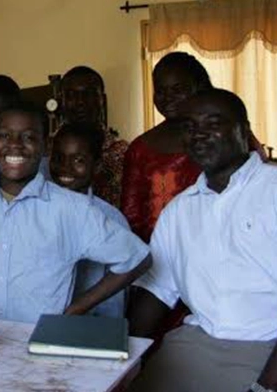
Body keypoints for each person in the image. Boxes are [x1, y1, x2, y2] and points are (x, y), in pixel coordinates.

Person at [0, 103, 150, 323]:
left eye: (28, 137)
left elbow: (136, 258)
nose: (14, 145)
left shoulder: (71, 208)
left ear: (45, 147)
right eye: (4, 135)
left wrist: (75, 309)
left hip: (43, 346)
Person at [128, 89, 277, 392]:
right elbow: (157, 290)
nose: (199, 134)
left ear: (244, 130)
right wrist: (122, 354)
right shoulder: (179, 210)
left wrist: (265, 387)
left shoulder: (271, 191)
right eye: (190, 127)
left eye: (213, 123)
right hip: (195, 344)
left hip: (265, 348)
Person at [121, 52, 212, 242]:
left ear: (199, 87)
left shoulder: (222, 136)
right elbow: (131, 216)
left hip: (217, 250)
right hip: (158, 257)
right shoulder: (140, 149)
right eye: (160, 91)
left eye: (177, 89)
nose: (167, 97)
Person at [50, 121, 130, 318]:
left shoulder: (111, 219)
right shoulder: (33, 210)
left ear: (97, 165)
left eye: (78, 160)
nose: (65, 168)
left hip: (89, 324)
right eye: (59, 158)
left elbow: (114, 300)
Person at [60, 66, 128, 209]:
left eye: (88, 94)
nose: (80, 102)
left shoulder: (123, 153)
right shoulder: (46, 149)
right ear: (62, 101)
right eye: (71, 95)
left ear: (101, 100)